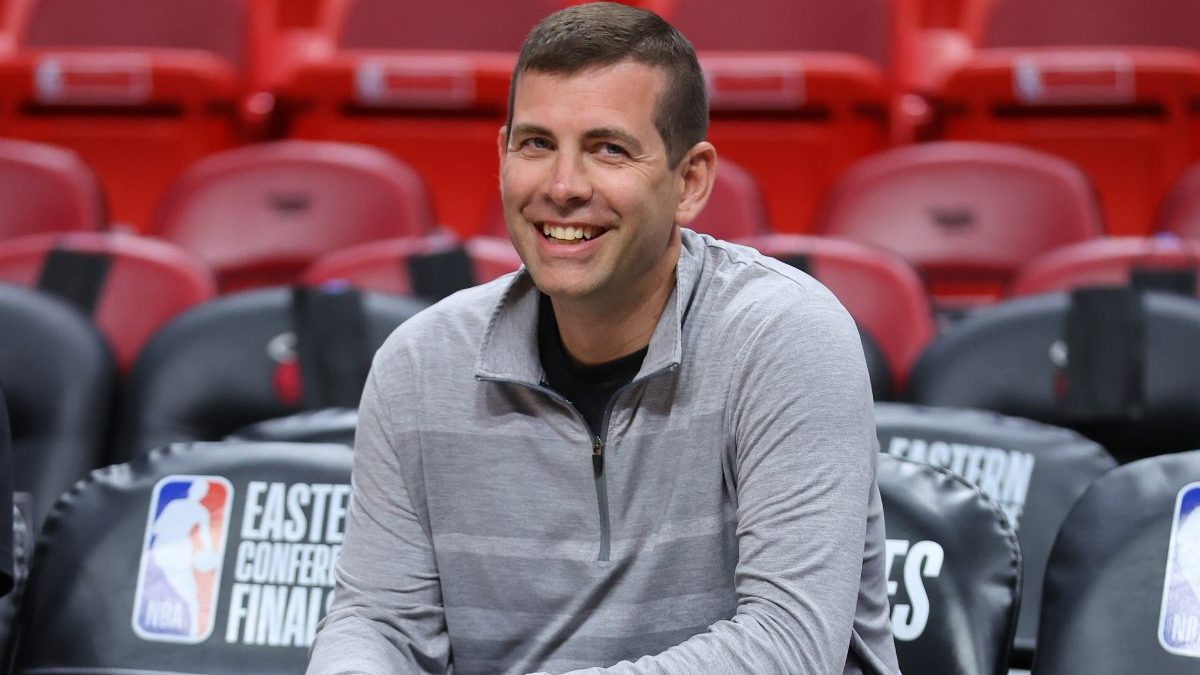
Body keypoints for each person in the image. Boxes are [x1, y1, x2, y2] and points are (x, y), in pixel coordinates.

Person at [308, 3, 899, 673]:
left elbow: (789, 644)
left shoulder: (784, 337)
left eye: (608, 149)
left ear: (690, 181)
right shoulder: (418, 365)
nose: (562, 187)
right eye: (536, 144)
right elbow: (377, 621)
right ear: (502, 156)